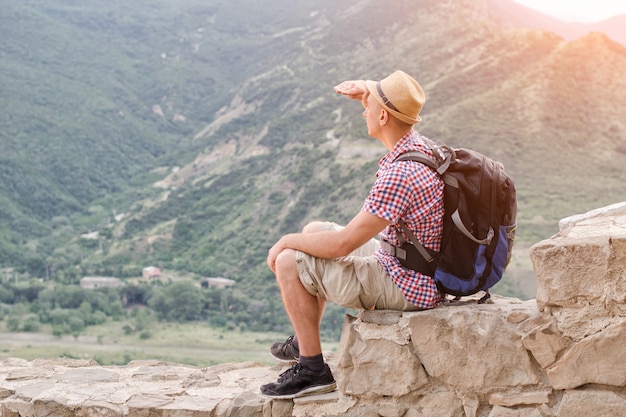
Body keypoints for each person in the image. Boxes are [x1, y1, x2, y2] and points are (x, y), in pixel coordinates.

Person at [260, 70, 445, 399]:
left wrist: (285, 241)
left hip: (406, 284)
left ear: (384, 115)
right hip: (414, 264)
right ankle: (305, 341)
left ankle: (312, 369)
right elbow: (391, 113)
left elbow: (342, 245)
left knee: (289, 260)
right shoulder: (420, 147)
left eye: (369, 105)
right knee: (314, 229)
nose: (364, 111)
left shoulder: (400, 174)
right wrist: (368, 91)